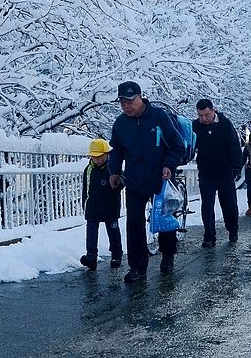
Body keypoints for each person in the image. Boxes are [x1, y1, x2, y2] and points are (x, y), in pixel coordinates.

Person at [108, 81, 185, 282]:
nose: (126, 106)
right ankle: (137, 267)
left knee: (165, 218)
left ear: (140, 97)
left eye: (130, 101)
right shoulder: (121, 124)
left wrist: (168, 165)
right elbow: (116, 150)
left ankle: (168, 254)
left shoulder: (159, 117)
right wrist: (114, 171)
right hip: (134, 180)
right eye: (122, 102)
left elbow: (177, 146)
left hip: (161, 178)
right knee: (134, 222)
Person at [192, 98, 242, 248]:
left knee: (229, 203)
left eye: (206, 115)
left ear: (213, 111)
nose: (203, 119)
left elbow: (234, 145)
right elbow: (190, 145)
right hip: (206, 171)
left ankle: (232, 229)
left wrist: (236, 166)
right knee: (207, 204)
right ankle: (209, 236)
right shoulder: (196, 126)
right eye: (200, 115)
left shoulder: (225, 124)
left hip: (224, 170)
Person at [79, 139, 123, 270]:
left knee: (113, 231)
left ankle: (116, 254)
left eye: (100, 157)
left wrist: (119, 182)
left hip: (110, 206)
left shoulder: (113, 168)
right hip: (93, 206)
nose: (97, 160)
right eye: (94, 157)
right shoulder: (89, 169)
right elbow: (85, 189)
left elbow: (122, 180)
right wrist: (85, 204)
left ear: (107, 154)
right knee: (91, 232)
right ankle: (91, 256)